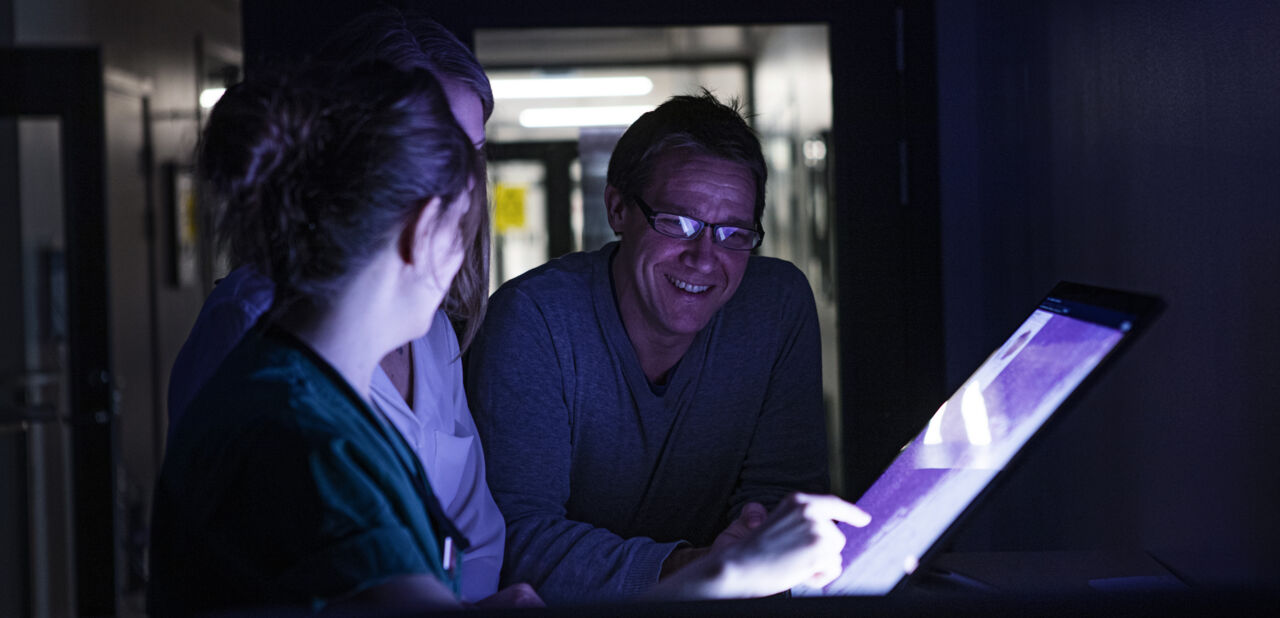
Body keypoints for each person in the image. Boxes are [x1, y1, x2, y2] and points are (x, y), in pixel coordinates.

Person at [163, 9, 509, 603]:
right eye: (449, 164)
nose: (470, 192)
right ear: (422, 222)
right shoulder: (297, 424)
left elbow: (465, 538)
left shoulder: (370, 362)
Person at [466, 92, 840, 603]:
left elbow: (783, 496)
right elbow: (517, 542)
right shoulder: (534, 319)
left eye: (733, 233)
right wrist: (706, 566)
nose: (704, 258)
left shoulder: (776, 306)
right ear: (617, 209)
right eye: (678, 223)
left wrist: (755, 538)